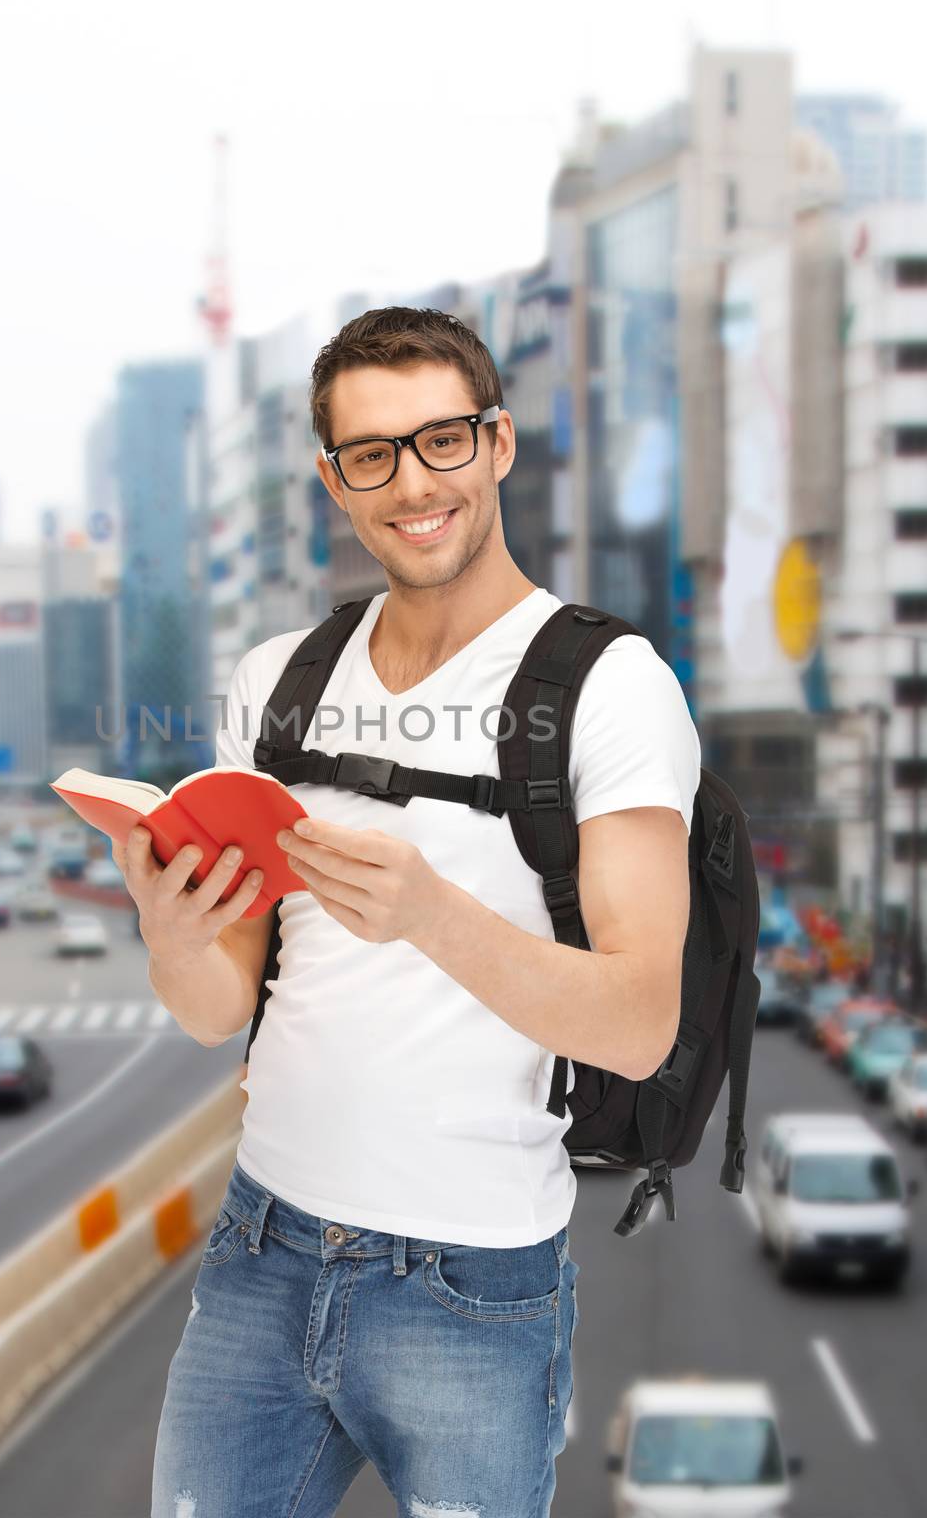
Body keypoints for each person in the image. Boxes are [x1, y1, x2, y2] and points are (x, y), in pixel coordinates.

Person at [119, 308, 700, 1517]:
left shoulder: (609, 685)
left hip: (472, 1284)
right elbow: (219, 1003)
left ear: (498, 444)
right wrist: (173, 936)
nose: (412, 482)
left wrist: (432, 913)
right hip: (258, 1250)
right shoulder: (275, 682)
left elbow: (643, 1021)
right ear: (337, 481)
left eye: (441, 440)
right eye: (372, 455)